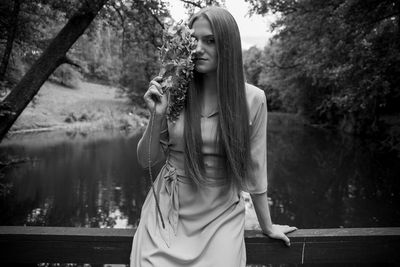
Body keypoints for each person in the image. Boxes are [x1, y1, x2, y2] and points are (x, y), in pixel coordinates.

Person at [130, 6, 297, 267]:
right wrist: (157, 116)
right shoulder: (173, 92)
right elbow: (146, 161)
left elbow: (255, 168)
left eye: (210, 41)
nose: (198, 48)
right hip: (168, 211)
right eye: (194, 40)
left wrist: (267, 225)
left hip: (220, 215)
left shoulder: (254, 99)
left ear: (228, 46)